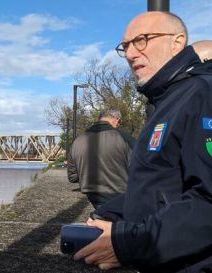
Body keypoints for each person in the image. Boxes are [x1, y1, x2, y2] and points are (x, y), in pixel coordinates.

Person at [73, 12, 212, 273]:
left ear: (177, 41)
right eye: (125, 46)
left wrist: (127, 244)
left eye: (142, 40)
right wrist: (110, 213)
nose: (130, 53)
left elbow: (207, 201)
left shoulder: (203, 93)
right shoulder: (166, 101)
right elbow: (161, 186)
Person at [67, 109, 135, 209]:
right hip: (121, 197)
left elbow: (73, 177)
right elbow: (138, 168)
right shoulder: (125, 138)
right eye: (120, 122)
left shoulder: (77, 141)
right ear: (116, 119)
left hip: (93, 197)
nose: (119, 125)